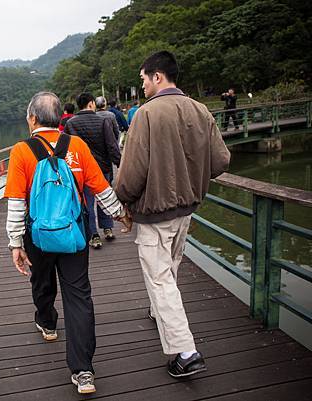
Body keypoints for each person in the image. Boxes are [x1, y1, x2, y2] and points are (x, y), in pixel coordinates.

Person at [4, 91, 131, 394]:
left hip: (39, 235)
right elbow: (100, 187)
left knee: (42, 280)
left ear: (32, 119)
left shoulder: (22, 151)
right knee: (78, 296)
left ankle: (47, 324)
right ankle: (83, 371)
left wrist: (15, 243)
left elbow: (15, 202)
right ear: (60, 117)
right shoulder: (76, 146)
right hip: (74, 233)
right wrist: (120, 213)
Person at [115, 51, 230, 378]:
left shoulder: (147, 114)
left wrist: (123, 200)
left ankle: (186, 351)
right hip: (186, 210)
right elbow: (221, 161)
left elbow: (131, 174)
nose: (142, 86)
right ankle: (158, 312)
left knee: (160, 277)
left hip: (155, 213)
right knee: (170, 268)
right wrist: (191, 175)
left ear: (157, 76)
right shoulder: (200, 109)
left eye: (143, 79)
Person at [64, 93, 121, 249]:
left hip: (81, 171)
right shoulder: (102, 120)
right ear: (91, 104)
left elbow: (66, 149)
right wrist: (119, 162)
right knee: (104, 197)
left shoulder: (71, 123)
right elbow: (111, 145)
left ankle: (93, 235)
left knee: (87, 202)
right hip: (103, 168)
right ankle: (108, 228)